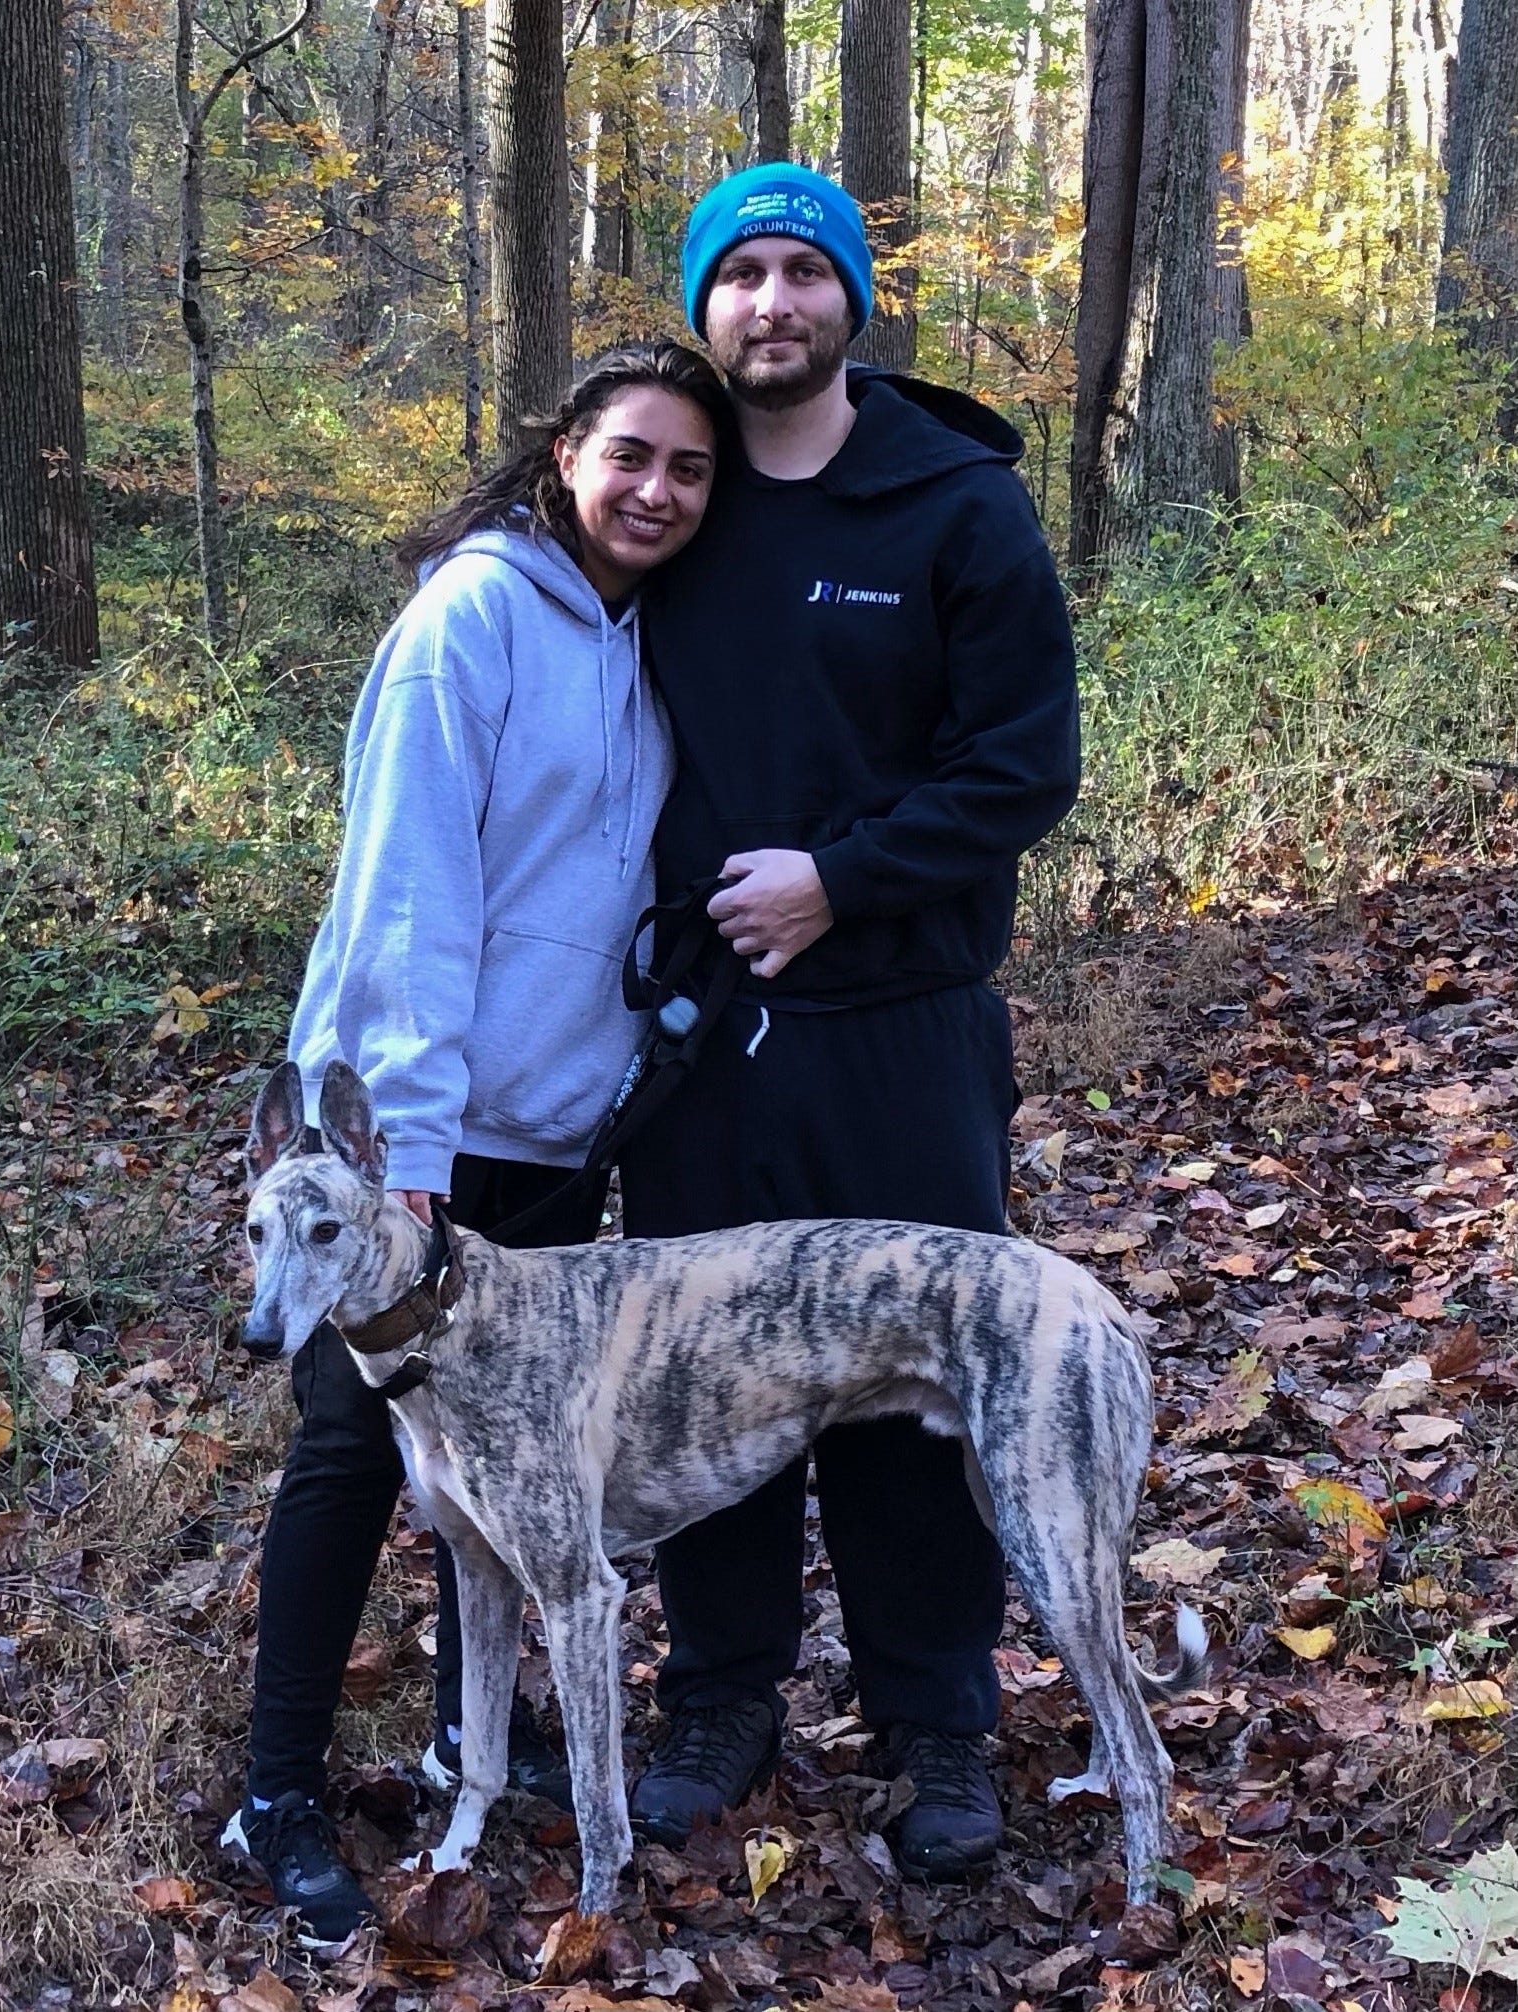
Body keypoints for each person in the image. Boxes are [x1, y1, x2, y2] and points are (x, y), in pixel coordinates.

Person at [222, 343, 729, 1945]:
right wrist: (408, 1161)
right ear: (564, 453)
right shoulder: (474, 619)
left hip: (551, 1134)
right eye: (630, 455)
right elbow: (411, 903)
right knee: (355, 1453)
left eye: (690, 470)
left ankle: (471, 1742)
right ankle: (276, 1795)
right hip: (413, 1151)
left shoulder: (635, 635)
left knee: (495, 1471)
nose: (656, 490)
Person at [618, 164, 1081, 1881]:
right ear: (704, 306)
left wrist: (843, 878)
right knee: (705, 1380)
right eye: (737, 273)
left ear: (853, 300)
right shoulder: (674, 499)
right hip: (694, 1039)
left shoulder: (955, 506)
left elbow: (1025, 766)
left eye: (804, 269)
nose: (771, 301)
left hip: (901, 1020)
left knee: (907, 1379)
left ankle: (936, 1721)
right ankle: (722, 1697)